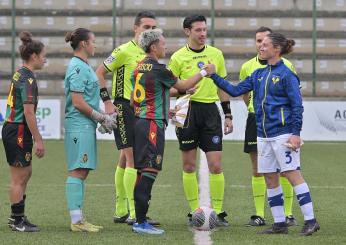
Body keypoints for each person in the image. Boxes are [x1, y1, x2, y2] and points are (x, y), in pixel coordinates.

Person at [205, 32, 320, 236]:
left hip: (283, 135)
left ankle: (311, 220)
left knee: (292, 174)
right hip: (263, 134)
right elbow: (234, 90)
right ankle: (279, 224)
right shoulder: (259, 73)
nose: (261, 47)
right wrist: (213, 75)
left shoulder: (287, 74)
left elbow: (297, 106)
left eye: (265, 45)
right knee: (269, 177)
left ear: (277, 49)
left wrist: (295, 134)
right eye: (261, 44)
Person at [131, 28, 208, 235]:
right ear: (154, 46)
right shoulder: (159, 69)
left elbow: (135, 98)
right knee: (150, 169)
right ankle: (140, 222)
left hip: (140, 122)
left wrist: (165, 109)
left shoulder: (138, 68)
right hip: (151, 125)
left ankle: (139, 218)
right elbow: (182, 84)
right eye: (163, 44)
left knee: (142, 171)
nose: (166, 47)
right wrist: (204, 72)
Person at [168, 14, 233, 226]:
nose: (203, 33)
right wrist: (182, 90)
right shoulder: (178, 57)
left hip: (210, 111)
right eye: (198, 30)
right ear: (187, 31)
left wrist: (228, 114)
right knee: (188, 165)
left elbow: (222, 86)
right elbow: (169, 88)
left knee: (215, 165)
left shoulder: (216, 54)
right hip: (185, 110)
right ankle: (193, 211)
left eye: (205, 29)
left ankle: (219, 212)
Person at [96, 11, 159, 225]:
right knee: (133, 159)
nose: (150, 31)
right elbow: (99, 73)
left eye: (153, 28)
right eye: (146, 27)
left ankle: (121, 209)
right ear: (135, 28)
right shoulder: (123, 50)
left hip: (142, 109)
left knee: (125, 157)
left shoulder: (150, 53)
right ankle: (133, 212)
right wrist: (107, 101)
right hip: (124, 107)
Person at [240, 27, 297, 227]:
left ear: (275, 45)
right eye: (258, 41)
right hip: (256, 119)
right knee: (258, 170)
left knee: (284, 170)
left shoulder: (286, 65)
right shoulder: (248, 66)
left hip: (280, 123)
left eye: (264, 41)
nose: (261, 44)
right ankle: (258, 214)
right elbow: (244, 94)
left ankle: (289, 214)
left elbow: (294, 96)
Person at [64, 28, 117, 232]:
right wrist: (100, 116)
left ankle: (79, 218)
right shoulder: (77, 68)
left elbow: (87, 99)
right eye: (93, 41)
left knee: (82, 171)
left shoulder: (84, 66)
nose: (96, 45)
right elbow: (77, 102)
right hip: (79, 125)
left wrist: (102, 118)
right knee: (78, 170)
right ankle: (76, 221)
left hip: (85, 125)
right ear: (84, 44)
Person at [1, 31, 45, 232]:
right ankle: (16, 221)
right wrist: (38, 139)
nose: (45, 59)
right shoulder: (27, 78)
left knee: (25, 172)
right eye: (43, 55)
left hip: (16, 128)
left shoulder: (20, 72)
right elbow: (28, 112)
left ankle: (18, 216)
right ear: (34, 56)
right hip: (18, 129)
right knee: (19, 176)